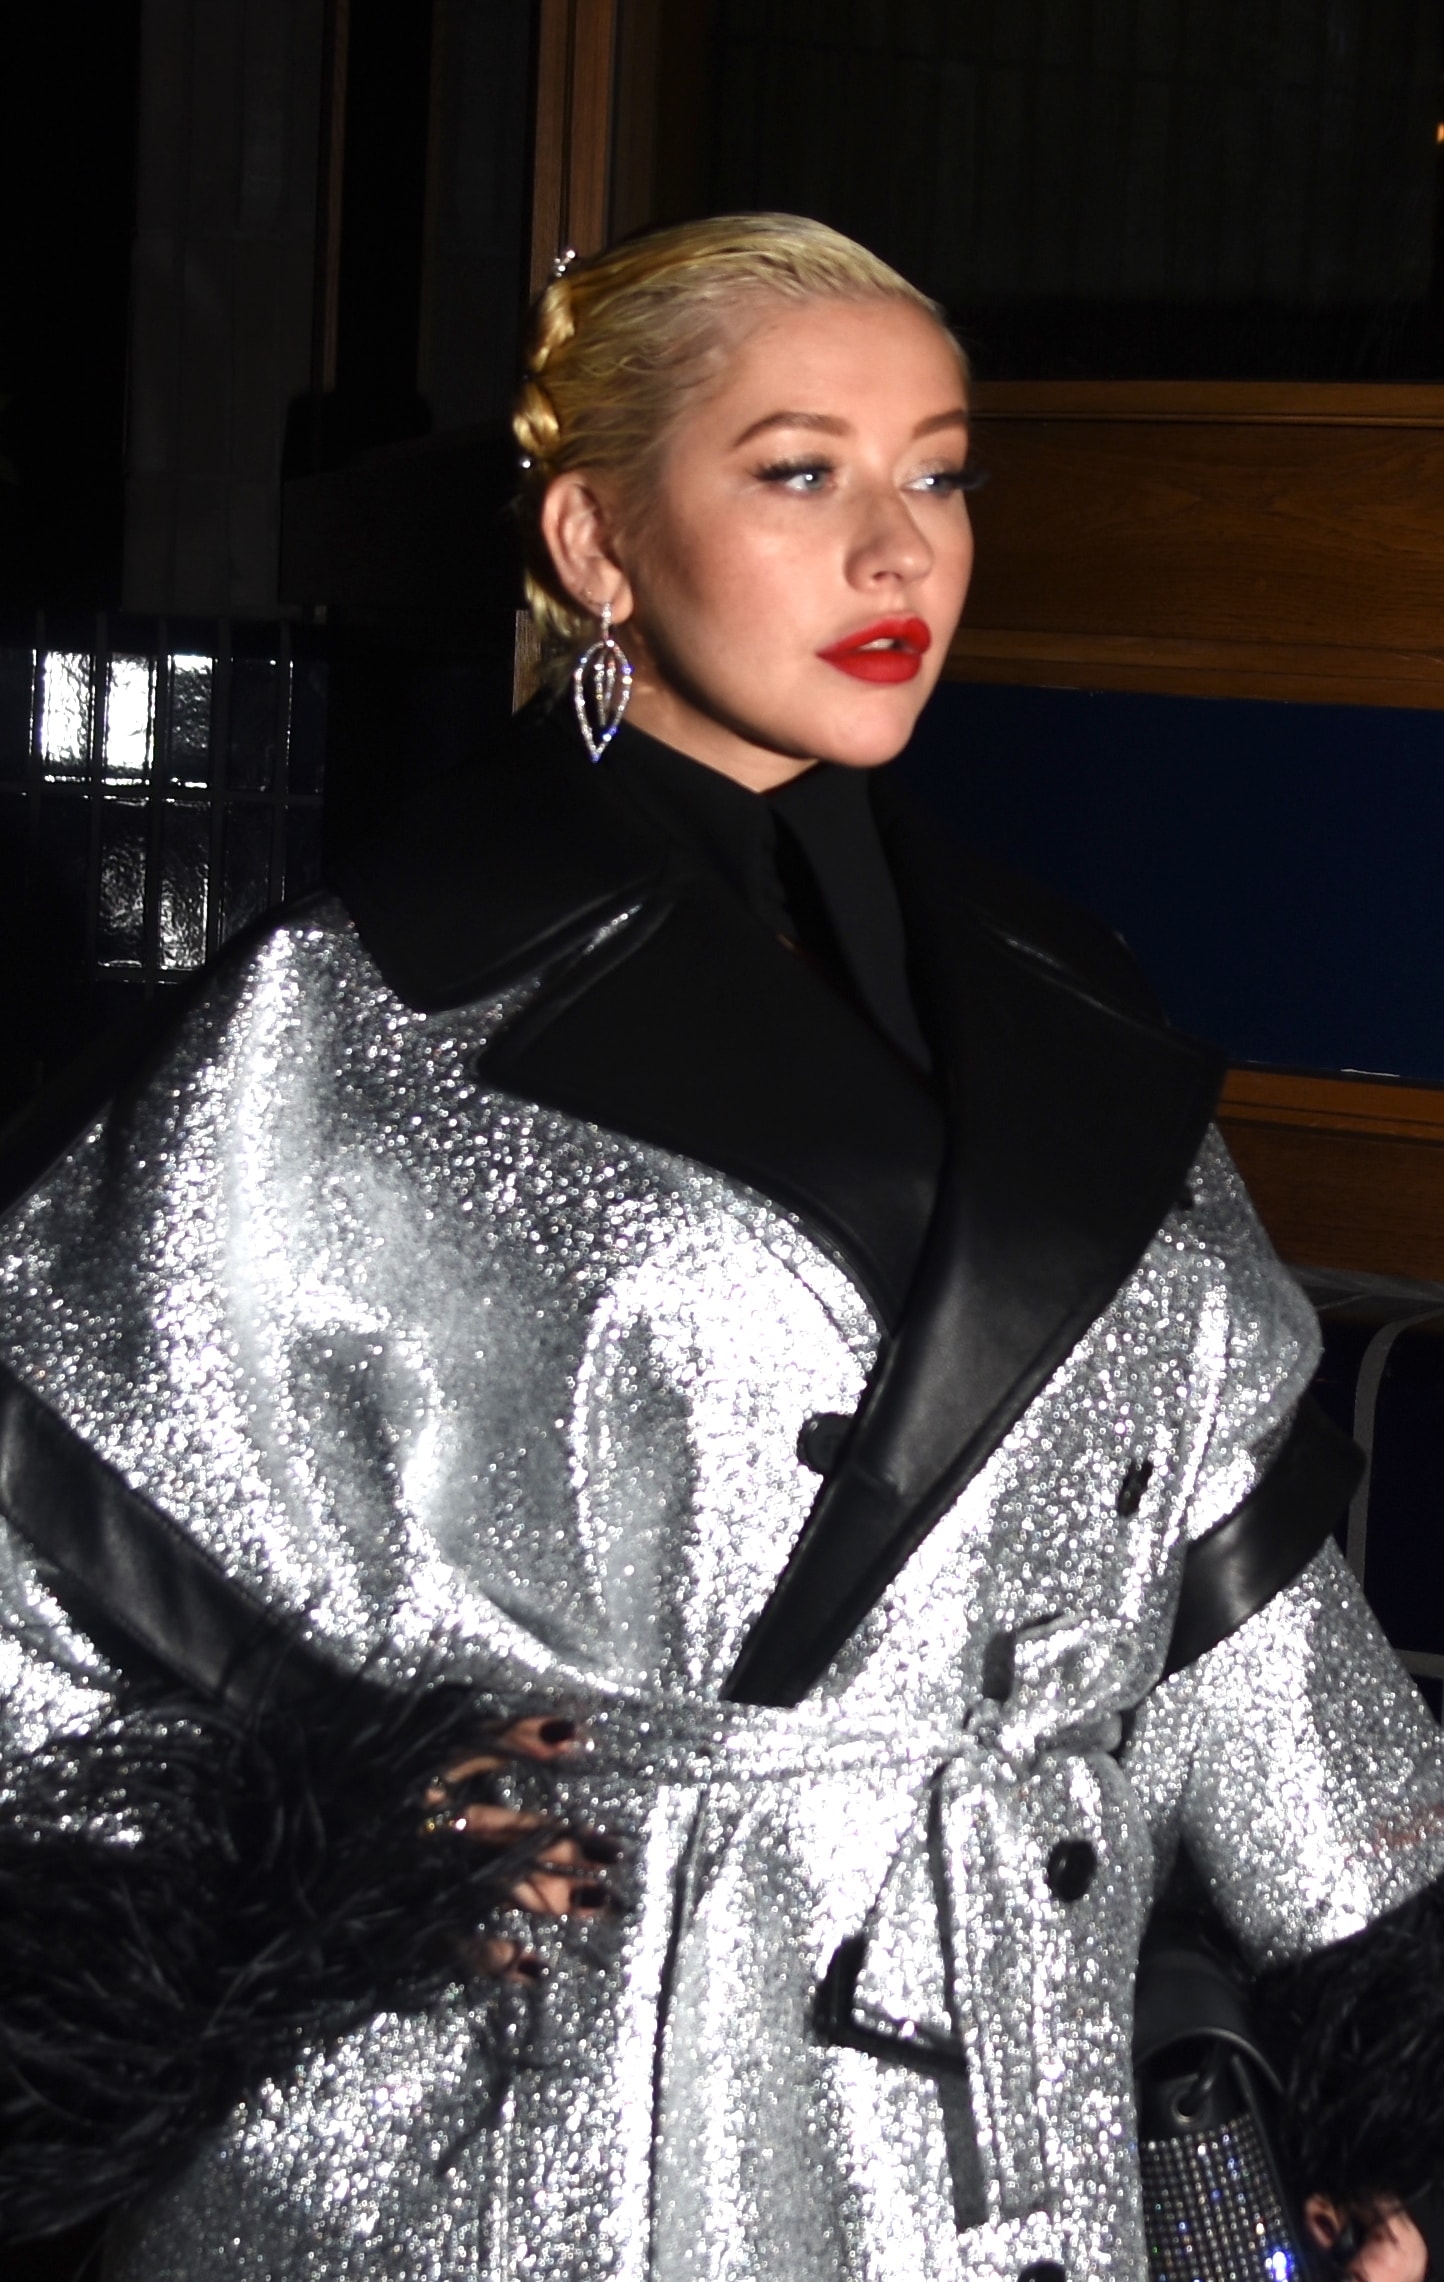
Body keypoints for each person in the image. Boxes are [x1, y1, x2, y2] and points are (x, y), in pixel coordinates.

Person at [0, 213, 1442, 2282]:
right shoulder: (350, 1024)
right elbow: (60, 1531)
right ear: (595, 540)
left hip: (1017, 2122)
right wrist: (327, 1831)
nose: (898, 548)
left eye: (938, 471)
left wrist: (1401, 2098)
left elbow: (1237, 1608)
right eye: (799, 470)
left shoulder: (1065, 991)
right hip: (543, 2133)